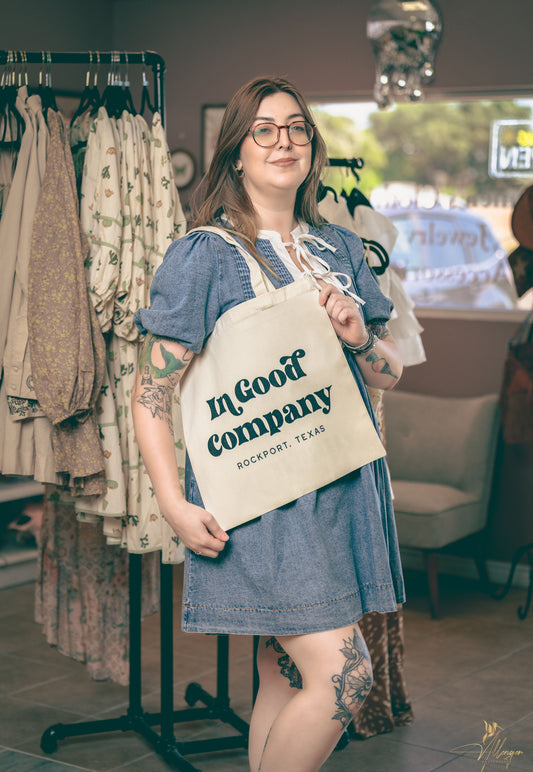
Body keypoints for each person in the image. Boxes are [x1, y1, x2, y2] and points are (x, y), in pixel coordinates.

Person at [132, 76, 405, 772]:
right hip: (264, 501)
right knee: (344, 676)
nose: (283, 141)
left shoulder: (339, 249)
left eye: (296, 128)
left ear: (312, 149)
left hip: (341, 486)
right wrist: (172, 501)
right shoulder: (204, 255)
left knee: (283, 674)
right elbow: (149, 388)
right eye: (263, 129)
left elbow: (387, 371)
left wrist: (356, 338)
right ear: (236, 152)